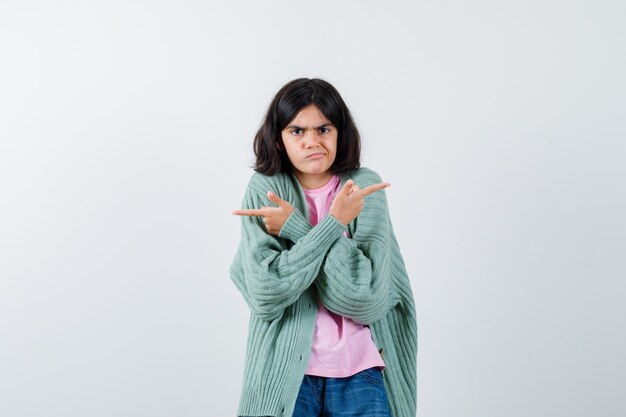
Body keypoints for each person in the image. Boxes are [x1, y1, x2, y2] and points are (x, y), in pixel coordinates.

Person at [230, 78, 417, 417]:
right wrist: (334, 225)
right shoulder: (265, 189)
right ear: (279, 138)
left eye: (323, 128)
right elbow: (265, 293)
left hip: (362, 375)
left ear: (340, 132)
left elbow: (364, 297)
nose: (312, 141)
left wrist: (296, 228)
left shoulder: (362, 188)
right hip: (284, 375)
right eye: (297, 131)